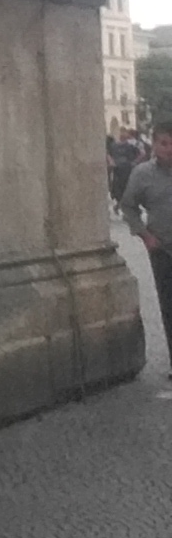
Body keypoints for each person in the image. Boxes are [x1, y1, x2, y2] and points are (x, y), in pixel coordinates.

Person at [122, 119, 172, 371]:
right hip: (163, 250)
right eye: (164, 143)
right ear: (154, 145)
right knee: (169, 305)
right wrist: (145, 236)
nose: (170, 149)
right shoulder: (142, 174)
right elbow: (128, 206)